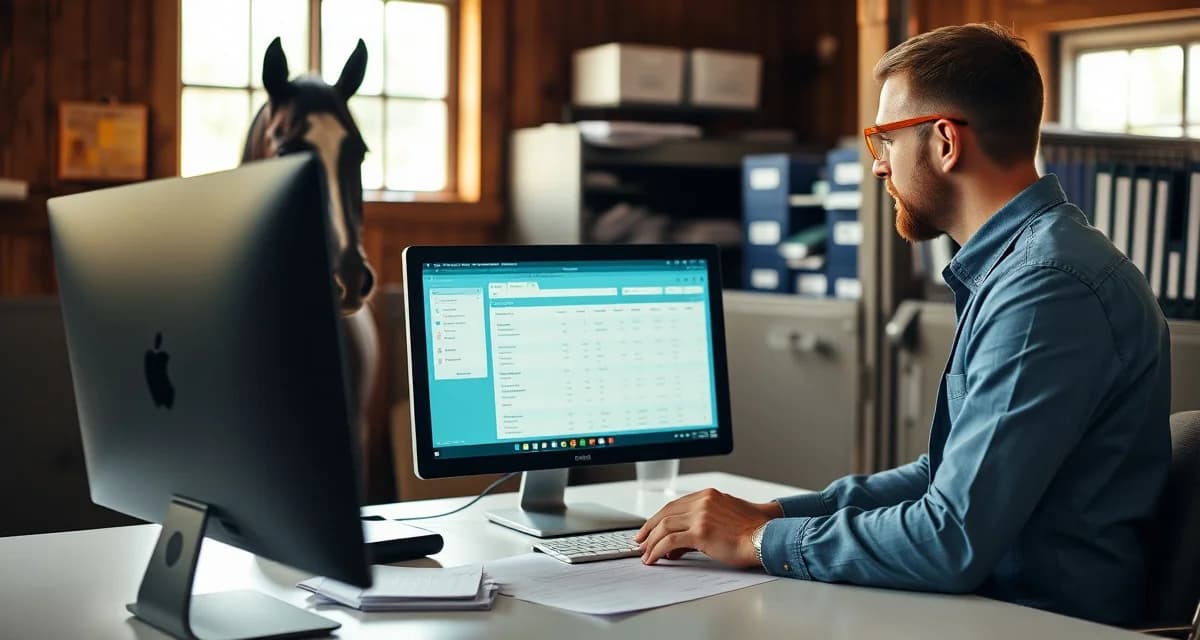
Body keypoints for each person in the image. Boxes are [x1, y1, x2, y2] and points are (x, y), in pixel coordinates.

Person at [635, 22, 1171, 626]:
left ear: (944, 142)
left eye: (884, 139)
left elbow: (951, 539)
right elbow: (941, 479)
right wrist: (771, 516)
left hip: (1036, 622)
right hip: (991, 605)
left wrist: (755, 543)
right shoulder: (1025, 265)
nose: (877, 168)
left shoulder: (1047, 284)